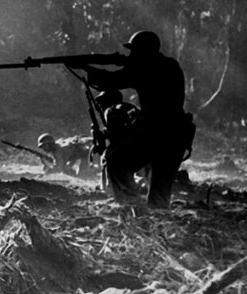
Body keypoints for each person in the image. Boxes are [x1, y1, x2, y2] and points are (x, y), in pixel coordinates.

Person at [83, 30, 195, 208]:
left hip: (157, 133)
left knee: (116, 162)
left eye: (134, 51)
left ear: (145, 51)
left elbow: (111, 81)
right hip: (177, 134)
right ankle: (155, 224)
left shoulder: (146, 69)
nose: (131, 55)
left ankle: (132, 209)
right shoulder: (170, 65)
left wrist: (88, 69)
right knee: (160, 193)